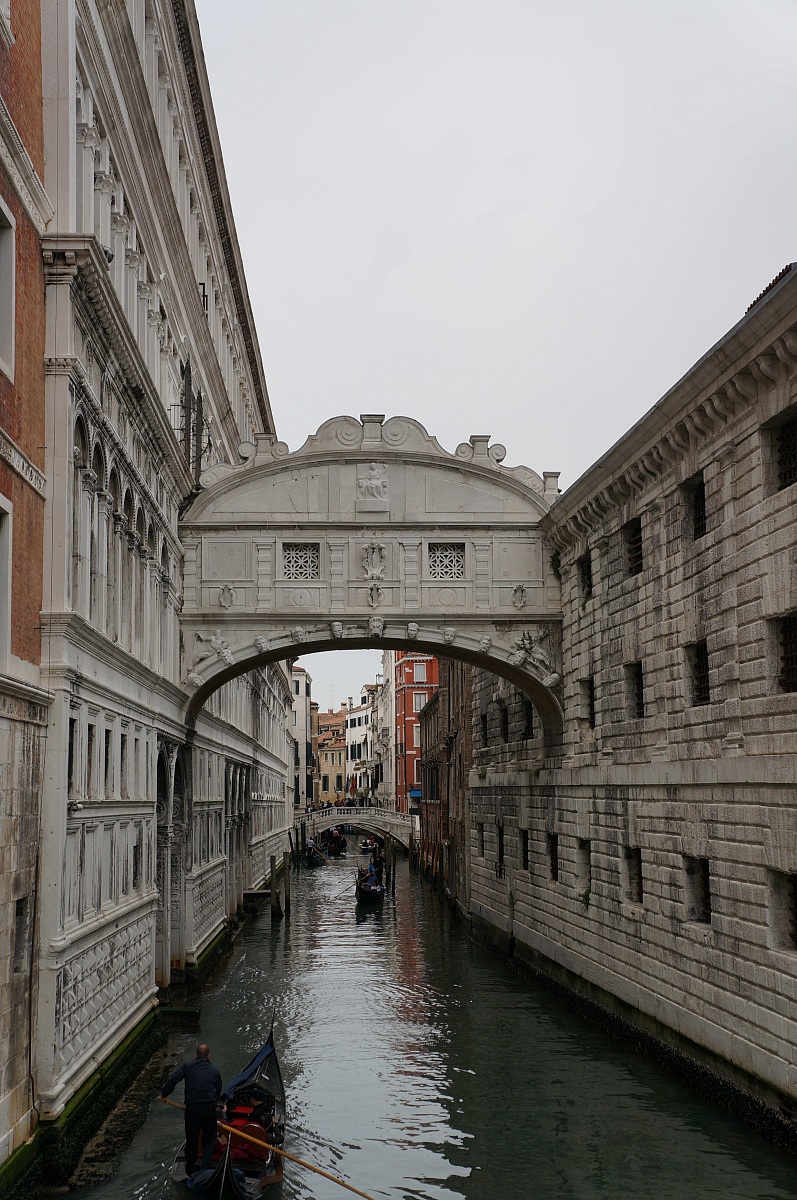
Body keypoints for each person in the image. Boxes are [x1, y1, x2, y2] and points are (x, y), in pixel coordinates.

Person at [160, 1044, 222, 1176]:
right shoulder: (214, 1071)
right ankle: (204, 1171)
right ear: (209, 1055)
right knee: (209, 1142)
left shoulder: (187, 1066)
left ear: (196, 1055)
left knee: (191, 1140)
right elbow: (218, 1093)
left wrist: (165, 1095)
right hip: (209, 1110)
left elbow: (173, 1079)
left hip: (192, 1110)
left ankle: (190, 1171)